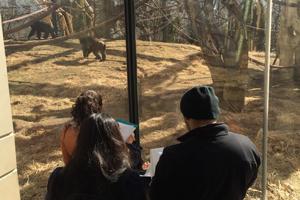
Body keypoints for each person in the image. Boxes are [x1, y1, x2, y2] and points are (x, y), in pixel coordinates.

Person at [150, 86, 261, 200]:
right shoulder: (247, 147)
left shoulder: (173, 157)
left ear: (186, 118)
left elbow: (157, 195)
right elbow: (247, 182)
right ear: (216, 113)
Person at [46, 113, 147, 200]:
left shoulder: (59, 178)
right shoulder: (128, 180)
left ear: (81, 141)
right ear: (115, 142)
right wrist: (131, 146)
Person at [60, 90, 103, 165]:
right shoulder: (101, 128)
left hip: (75, 173)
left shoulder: (67, 129)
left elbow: (67, 162)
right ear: (98, 108)